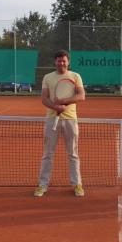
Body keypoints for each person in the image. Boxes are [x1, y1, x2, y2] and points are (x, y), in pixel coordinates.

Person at [34, 50, 86, 197]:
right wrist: (55, 107)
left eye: (63, 60)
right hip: (52, 119)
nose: (61, 63)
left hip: (70, 119)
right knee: (47, 154)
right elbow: (44, 99)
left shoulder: (75, 76)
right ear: (55, 62)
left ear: (68, 62)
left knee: (73, 154)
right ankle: (42, 185)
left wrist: (63, 102)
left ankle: (77, 184)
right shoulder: (48, 77)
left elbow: (81, 96)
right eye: (58, 60)